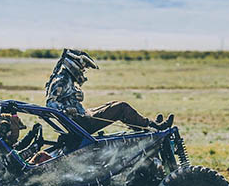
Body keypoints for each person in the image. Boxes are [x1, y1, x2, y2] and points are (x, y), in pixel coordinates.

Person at [45, 49, 174, 134]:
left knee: (113, 104)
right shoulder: (61, 80)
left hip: (81, 119)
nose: (84, 70)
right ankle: (152, 127)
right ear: (74, 64)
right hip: (80, 124)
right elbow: (50, 104)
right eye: (83, 66)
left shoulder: (66, 79)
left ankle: (148, 126)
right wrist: (67, 110)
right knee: (121, 107)